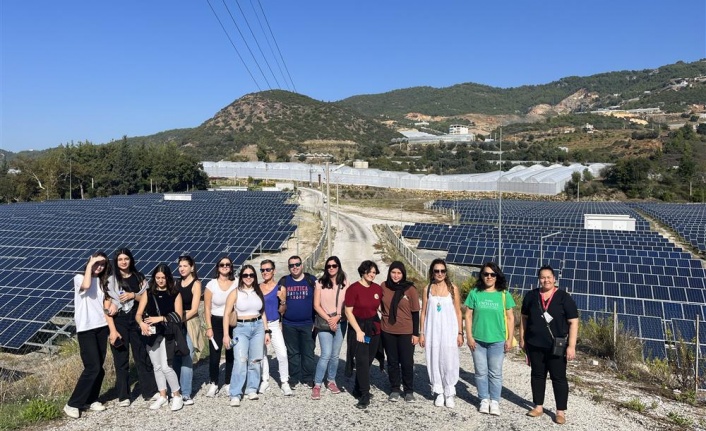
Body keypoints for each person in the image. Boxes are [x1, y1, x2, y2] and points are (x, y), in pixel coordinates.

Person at [520, 265, 579, 425]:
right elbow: (524, 317)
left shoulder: (563, 297)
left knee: (558, 378)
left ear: (554, 279)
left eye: (548, 277)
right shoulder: (531, 296)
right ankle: (538, 407)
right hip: (534, 344)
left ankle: (560, 412)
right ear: (539, 279)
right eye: (542, 277)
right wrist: (522, 339)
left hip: (557, 346)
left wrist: (571, 346)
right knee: (537, 376)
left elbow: (573, 322)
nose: (546, 280)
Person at [103, 248, 158, 406]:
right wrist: (112, 329)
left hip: (136, 318)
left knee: (141, 355)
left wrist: (133, 295)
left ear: (131, 260)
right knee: (121, 358)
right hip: (119, 320)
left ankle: (149, 391)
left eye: (126, 258)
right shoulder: (111, 280)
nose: (123, 262)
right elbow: (106, 305)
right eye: (120, 259)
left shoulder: (139, 277)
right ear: (116, 261)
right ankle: (124, 396)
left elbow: (146, 298)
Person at [64, 252, 112, 419]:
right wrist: (91, 265)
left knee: (100, 368)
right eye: (97, 264)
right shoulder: (79, 278)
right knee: (92, 367)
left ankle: (92, 399)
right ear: (90, 262)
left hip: (102, 326)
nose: (99, 267)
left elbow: (106, 303)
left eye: (102, 265)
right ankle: (72, 403)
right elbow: (85, 286)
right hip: (86, 328)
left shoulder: (103, 282)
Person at [464, 262, 515, 416]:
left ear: (497, 276)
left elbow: (511, 317)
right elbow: (468, 315)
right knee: (480, 372)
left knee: (495, 373)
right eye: (486, 274)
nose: (489, 277)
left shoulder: (504, 294)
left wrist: (509, 339)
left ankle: (495, 401)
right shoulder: (475, 293)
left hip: (498, 340)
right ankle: (484, 400)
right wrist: (469, 337)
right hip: (478, 340)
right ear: (482, 276)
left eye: (492, 274)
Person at [135, 264, 184, 411]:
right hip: (150, 334)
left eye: (163, 278)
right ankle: (163, 395)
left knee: (166, 366)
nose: (160, 280)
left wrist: (160, 318)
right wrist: (141, 324)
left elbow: (178, 316)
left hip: (167, 334)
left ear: (168, 278)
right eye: (158, 278)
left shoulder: (175, 294)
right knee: (156, 367)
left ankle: (177, 395)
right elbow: (138, 314)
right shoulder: (148, 293)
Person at [223, 265, 271, 406]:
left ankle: (251, 389)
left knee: (255, 360)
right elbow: (226, 314)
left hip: (258, 327)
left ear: (254, 277)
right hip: (241, 328)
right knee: (240, 360)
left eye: (251, 275)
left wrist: (267, 331)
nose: (248, 277)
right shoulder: (235, 293)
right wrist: (226, 334)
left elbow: (262, 312)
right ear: (241, 277)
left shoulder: (258, 291)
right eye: (245, 275)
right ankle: (235, 393)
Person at [419, 258, 462, 408]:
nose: (440, 273)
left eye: (442, 271)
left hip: (449, 330)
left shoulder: (453, 289)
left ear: (446, 272)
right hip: (432, 331)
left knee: (449, 360)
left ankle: (449, 392)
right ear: (432, 272)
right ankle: (438, 391)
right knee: (434, 359)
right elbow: (423, 312)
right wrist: (422, 333)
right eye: (436, 271)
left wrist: (459, 333)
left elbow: (458, 312)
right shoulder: (427, 289)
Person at [344, 260, 382, 409]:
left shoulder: (378, 289)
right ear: (363, 272)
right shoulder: (353, 289)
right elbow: (348, 311)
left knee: (368, 360)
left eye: (374, 272)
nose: (372, 274)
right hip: (358, 327)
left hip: (374, 327)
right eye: (370, 272)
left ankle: (357, 388)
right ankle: (365, 394)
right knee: (361, 360)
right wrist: (358, 331)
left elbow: (382, 309)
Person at [380, 261, 420, 403]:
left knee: (407, 362)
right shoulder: (384, 286)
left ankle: (409, 390)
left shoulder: (410, 289)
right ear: (389, 273)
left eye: (399, 273)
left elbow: (416, 313)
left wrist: (416, 334)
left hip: (406, 331)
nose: (396, 276)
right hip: (387, 330)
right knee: (392, 361)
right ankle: (395, 389)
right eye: (393, 272)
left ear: (403, 274)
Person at [311, 256, 348, 400]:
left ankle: (331, 380)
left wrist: (338, 317)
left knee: (335, 354)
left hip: (340, 321)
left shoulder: (345, 282)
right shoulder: (320, 283)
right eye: (329, 266)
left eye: (334, 266)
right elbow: (316, 305)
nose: (331, 268)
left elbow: (347, 303)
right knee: (325, 354)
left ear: (338, 267)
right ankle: (317, 384)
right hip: (324, 322)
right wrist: (329, 319)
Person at [280, 255, 317, 389]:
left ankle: (308, 377)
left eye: (297, 264)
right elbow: (279, 302)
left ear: (302, 265)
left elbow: (319, 300)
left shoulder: (311, 280)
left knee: (308, 352)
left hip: (308, 323)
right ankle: (294, 377)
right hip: (289, 324)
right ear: (289, 268)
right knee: (293, 352)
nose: (294, 267)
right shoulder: (284, 281)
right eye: (291, 265)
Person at [204, 256, 237, 397]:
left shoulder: (236, 283)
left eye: (227, 264)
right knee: (214, 356)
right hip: (216, 322)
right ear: (217, 267)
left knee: (231, 354)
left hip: (232, 322)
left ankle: (228, 382)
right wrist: (209, 327)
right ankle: (214, 382)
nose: (225, 267)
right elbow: (206, 307)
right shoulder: (211, 284)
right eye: (222, 264)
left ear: (231, 267)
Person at [259, 259, 292, 395]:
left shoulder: (280, 288)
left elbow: (282, 310)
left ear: (274, 271)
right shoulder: (257, 287)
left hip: (273, 323)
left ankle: (284, 381)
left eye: (268, 269)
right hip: (259, 324)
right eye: (263, 270)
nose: (265, 272)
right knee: (262, 354)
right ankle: (264, 380)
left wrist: (283, 299)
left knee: (282, 353)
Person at [173, 255, 203, 406]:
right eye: (180, 266)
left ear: (192, 267)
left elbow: (194, 309)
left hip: (190, 323)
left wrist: (177, 318)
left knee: (187, 356)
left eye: (185, 266)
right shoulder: (176, 283)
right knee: (176, 357)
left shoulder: (196, 284)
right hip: (177, 324)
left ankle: (186, 392)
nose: (182, 269)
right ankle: (175, 390)